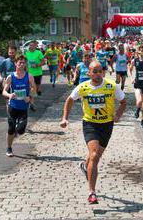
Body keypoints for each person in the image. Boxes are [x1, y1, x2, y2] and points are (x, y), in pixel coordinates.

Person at [60, 60, 126, 204]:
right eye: (94, 71)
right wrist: (65, 118)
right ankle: (92, 192)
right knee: (95, 155)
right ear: (88, 73)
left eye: (99, 71)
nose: (97, 74)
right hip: (90, 124)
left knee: (95, 157)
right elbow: (69, 100)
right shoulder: (82, 87)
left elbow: (123, 101)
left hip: (107, 125)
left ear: (103, 72)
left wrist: (118, 115)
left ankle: (85, 166)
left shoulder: (111, 86)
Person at [2, 55, 36, 157]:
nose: (22, 64)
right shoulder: (10, 77)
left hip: (23, 107)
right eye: (20, 62)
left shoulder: (29, 76)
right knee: (11, 129)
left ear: (25, 64)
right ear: (15, 63)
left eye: (23, 63)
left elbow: (34, 89)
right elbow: (4, 91)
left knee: (21, 130)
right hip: (13, 106)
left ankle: (17, 131)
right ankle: (9, 148)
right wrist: (9, 95)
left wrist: (29, 97)